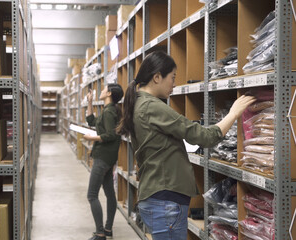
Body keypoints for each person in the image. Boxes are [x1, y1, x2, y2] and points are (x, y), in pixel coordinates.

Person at [116, 51, 256, 240]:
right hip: (165, 201)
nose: (174, 84)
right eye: (172, 78)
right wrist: (233, 113)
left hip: (159, 199)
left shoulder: (140, 104)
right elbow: (205, 137)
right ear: (157, 77)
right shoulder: (152, 107)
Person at [84, 83, 124, 240]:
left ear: (109, 94)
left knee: (92, 195)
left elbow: (110, 135)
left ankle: (100, 233)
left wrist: (91, 137)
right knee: (109, 193)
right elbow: (91, 121)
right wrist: (89, 102)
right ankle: (107, 229)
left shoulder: (109, 112)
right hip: (108, 157)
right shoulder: (109, 110)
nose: (101, 91)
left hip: (103, 157)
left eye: (104, 89)